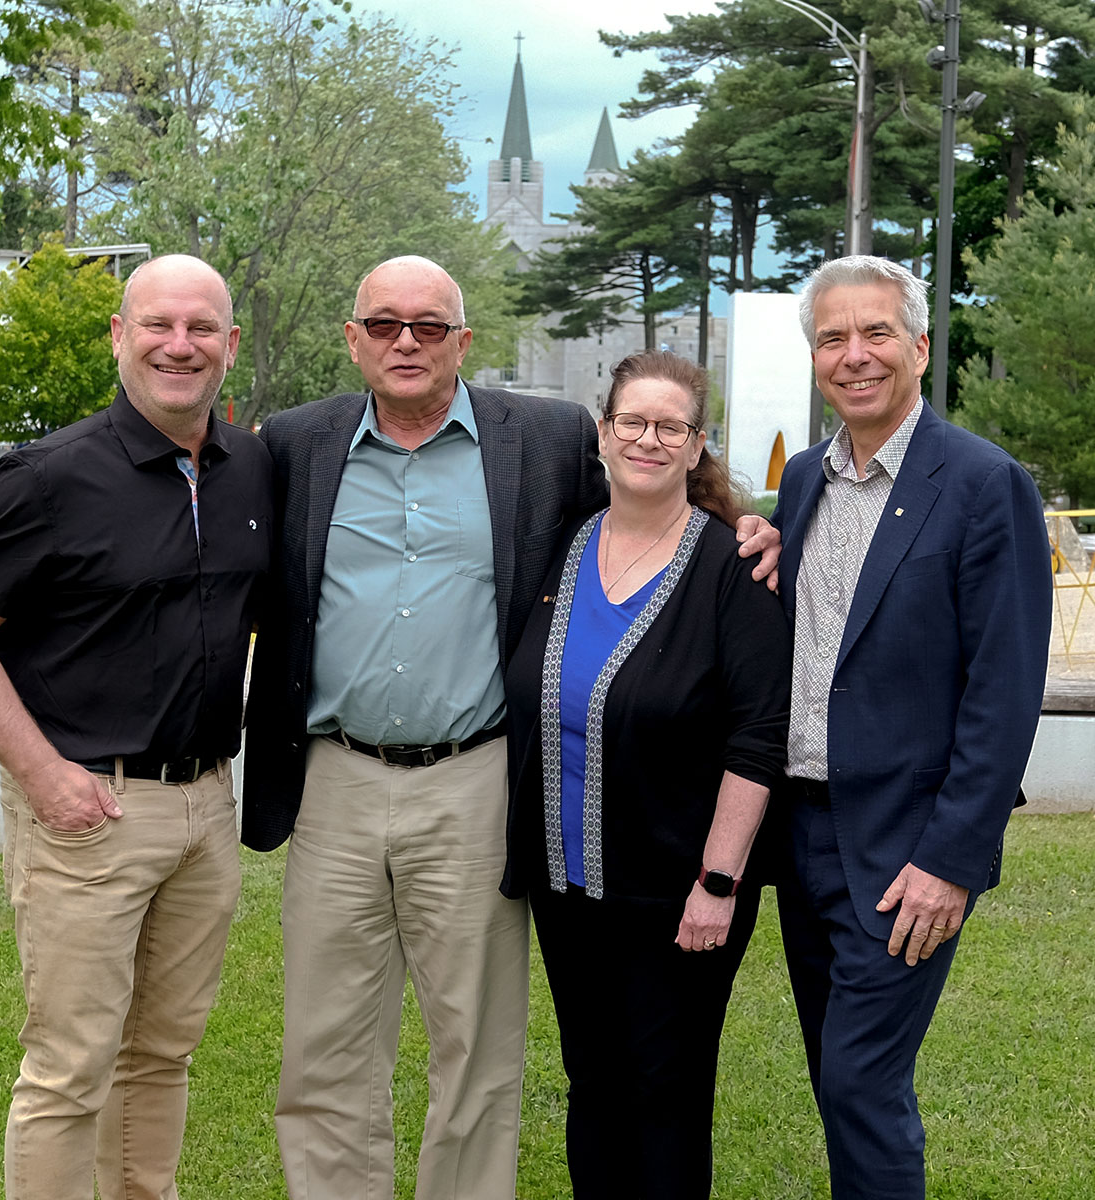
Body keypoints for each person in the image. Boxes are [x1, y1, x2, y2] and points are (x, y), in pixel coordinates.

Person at [243, 256, 781, 1200]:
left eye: (429, 325)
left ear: (464, 341)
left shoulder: (541, 438)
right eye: (384, 323)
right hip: (334, 782)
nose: (406, 342)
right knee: (324, 1047)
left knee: (477, 1050)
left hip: (476, 784)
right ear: (353, 338)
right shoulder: (295, 442)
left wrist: (746, 528)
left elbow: (649, 507)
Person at [0, 254, 272, 1200]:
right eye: (158, 324)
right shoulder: (49, 477)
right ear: (120, 335)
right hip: (89, 810)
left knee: (162, 1053)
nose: (179, 345)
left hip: (206, 808)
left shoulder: (249, 470)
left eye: (201, 328)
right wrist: (45, 777)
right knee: (70, 1068)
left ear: (231, 345)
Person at [770, 255, 1052, 1199]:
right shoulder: (803, 480)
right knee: (836, 1075)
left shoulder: (982, 482)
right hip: (803, 836)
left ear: (921, 347)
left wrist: (951, 861)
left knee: (861, 1082)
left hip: (906, 850)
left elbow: (1004, 691)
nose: (854, 355)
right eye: (832, 338)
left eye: (876, 332)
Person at [501, 350, 792, 1200]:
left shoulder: (734, 567)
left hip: (680, 895)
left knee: (665, 1091)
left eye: (672, 426)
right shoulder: (562, 545)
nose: (649, 440)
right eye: (632, 421)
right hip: (567, 887)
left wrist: (719, 882)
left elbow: (758, 737)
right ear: (603, 432)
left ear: (698, 445)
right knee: (591, 1082)